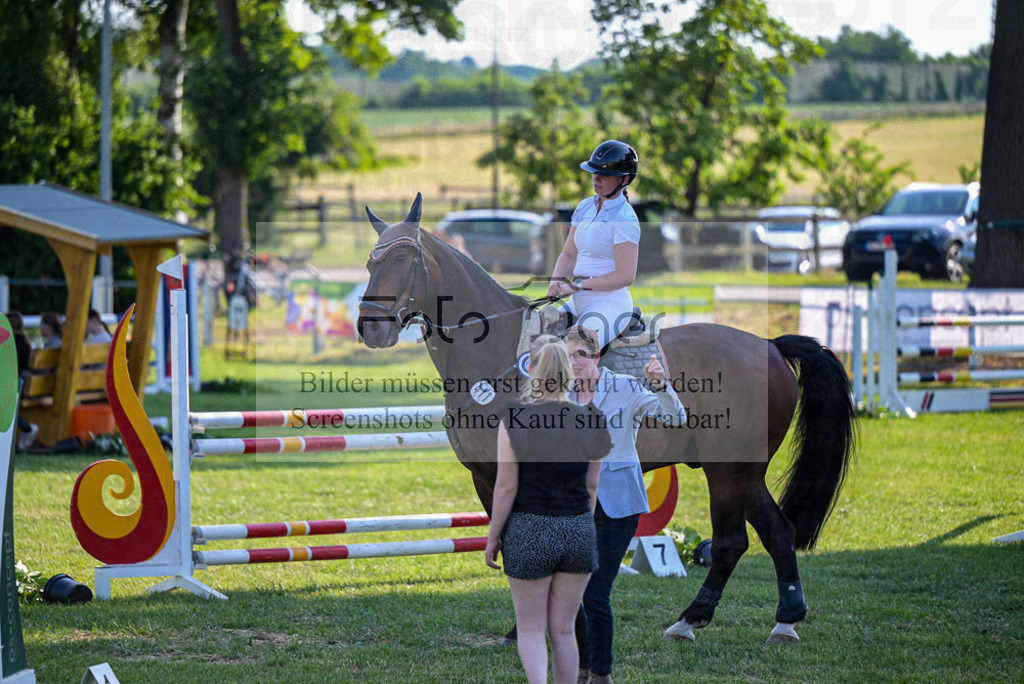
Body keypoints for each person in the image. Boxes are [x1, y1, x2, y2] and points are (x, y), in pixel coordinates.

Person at [485, 335, 612, 684]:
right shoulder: (593, 420)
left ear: (533, 370)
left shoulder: (514, 417)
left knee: (530, 628)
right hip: (578, 530)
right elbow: (591, 487)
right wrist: (579, 524)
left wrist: (494, 536)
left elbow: (507, 486)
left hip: (529, 529)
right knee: (564, 630)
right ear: (569, 372)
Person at [565, 325, 686, 684]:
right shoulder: (559, 391)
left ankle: (602, 672)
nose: (573, 363)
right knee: (569, 593)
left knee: (595, 592)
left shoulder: (624, 387)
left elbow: (675, 417)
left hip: (618, 504)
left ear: (596, 356)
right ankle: (583, 665)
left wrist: (660, 384)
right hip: (573, 503)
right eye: (568, 355)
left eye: (581, 355)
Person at [547, 140, 641, 352]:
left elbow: (626, 276)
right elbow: (569, 254)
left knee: (577, 348)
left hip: (610, 304)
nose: (596, 178)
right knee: (538, 333)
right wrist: (554, 283)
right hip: (578, 300)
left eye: (604, 174)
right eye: (593, 172)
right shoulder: (584, 207)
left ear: (624, 179)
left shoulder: (625, 218)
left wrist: (575, 286)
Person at [6, 311, 39, 450]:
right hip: (24, 384)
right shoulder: (25, 342)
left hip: (15, 385)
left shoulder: (10, 342)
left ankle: (26, 428)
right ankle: (26, 429)